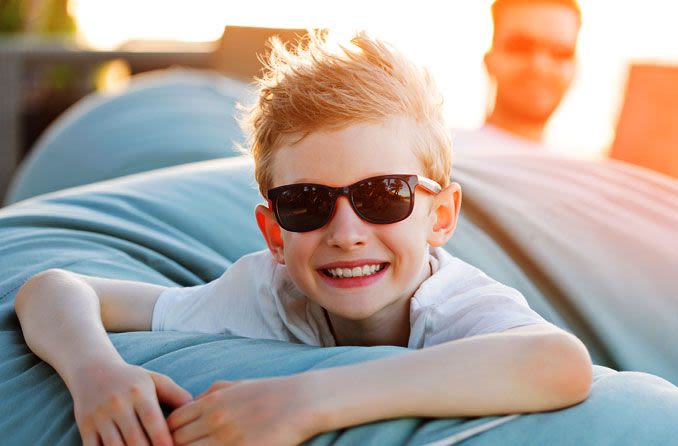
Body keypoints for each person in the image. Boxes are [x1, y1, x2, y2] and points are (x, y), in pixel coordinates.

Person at [14, 31, 592, 446]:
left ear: (440, 217)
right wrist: (95, 373)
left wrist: (303, 399)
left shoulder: (455, 305)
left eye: (383, 196)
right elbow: (51, 287)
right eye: (305, 204)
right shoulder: (263, 294)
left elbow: (560, 362)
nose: (346, 233)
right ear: (272, 231)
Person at [454, 0, 581, 150]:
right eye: (520, 47)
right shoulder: (435, 157)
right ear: (489, 59)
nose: (539, 67)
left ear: (575, 69)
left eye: (560, 53)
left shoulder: (583, 171)